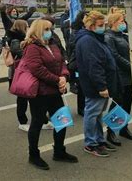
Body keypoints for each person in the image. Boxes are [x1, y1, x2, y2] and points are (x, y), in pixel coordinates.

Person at [22, 19, 77, 170]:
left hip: (55, 90)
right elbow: (37, 69)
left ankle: (59, 151)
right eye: (47, 29)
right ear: (38, 30)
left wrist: (64, 77)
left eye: (51, 29)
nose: (50, 31)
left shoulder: (52, 44)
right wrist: (57, 80)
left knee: (61, 121)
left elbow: (62, 63)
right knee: (37, 123)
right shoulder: (32, 47)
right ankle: (34, 155)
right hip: (40, 93)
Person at [75, 11, 120, 157]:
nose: (103, 27)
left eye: (104, 24)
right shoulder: (88, 40)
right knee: (92, 113)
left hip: (100, 84)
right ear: (91, 26)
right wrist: (101, 86)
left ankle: (99, 140)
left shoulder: (95, 38)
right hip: (95, 86)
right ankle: (91, 143)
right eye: (100, 25)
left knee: (98, 114)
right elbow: (93, 66)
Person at [105, 12, 132, 143]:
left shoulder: (123, 36)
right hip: (119, 75)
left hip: (129, 75)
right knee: (118, 103)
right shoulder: (109, 37)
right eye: (121, 21)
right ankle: (111, 131)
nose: (123, 23)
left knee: (128, 102)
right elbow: (115, 56)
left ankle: (124, 128)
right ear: (113, 22)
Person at [6, 19, 30, 131]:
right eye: (27, 26)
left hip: (26, 70)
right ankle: (22, 121)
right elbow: (20, 53)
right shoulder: (16, 40)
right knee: (22, 98)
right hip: (21, 70)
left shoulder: (22, 38)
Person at [67, 10, 88, 116]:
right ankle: (81, 108)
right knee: (81, 86)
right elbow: (71, 44)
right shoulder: (75, 31)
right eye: (85, 17)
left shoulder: (90, 29)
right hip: (78, 63)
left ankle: (86, 106)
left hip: (88, 62)